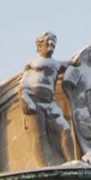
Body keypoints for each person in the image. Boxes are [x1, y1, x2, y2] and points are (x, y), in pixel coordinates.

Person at [19, 32, 74, 164]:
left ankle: (71, 161)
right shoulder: (32, 63)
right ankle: (45, 165)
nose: (51, 45)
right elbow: (23, 83)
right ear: (40, 45)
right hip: (34, 100)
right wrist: (24, 98)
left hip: (50, 102)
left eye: (53, 43)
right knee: (39, 136)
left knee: (65, 129)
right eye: (47, 42)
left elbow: (72, 63)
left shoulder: (57, 64)